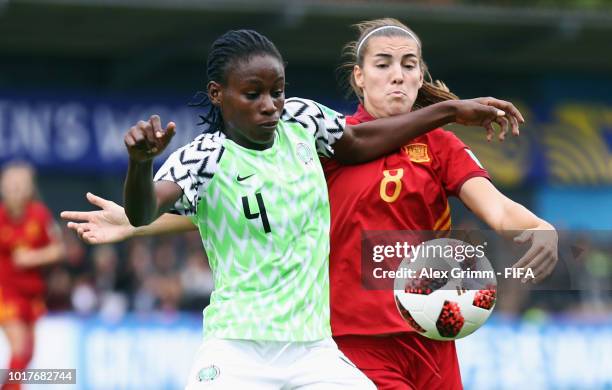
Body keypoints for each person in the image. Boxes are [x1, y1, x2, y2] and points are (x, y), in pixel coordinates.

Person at [62, 29, 524, 389]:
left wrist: (450, 112)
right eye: (253, 94)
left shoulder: (303, 123)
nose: (270, 106)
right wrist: (139, 167)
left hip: (315, 350)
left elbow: (359, 142)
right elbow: (147, 209)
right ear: (218, 94)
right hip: (238, 348)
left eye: (277, 92)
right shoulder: (202, 157)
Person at [0, 162, 65, 390]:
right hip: (6, 293)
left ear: (28, 189)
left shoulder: (39, 215)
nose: (14, 190)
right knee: (19, 348)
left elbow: (58, 249)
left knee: (28, 352)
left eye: (19, 186)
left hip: (32, 293)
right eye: (10, 186)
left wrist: (32, 258)